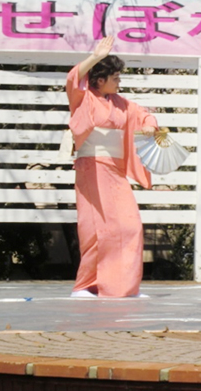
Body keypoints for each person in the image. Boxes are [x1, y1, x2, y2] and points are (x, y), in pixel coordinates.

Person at [66, 36, 157, 298]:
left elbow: (143, 114)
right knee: (97, 228)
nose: (119, 81)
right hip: (92, 168)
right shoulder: (82, 98)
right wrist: (95, 57)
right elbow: (74, 78)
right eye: (115, 77)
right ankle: (86, 285)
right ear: (99, 80)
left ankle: (122, 286)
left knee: (130, 225)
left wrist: (150, 124)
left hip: (115, 170)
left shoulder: (120, 102)